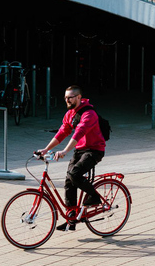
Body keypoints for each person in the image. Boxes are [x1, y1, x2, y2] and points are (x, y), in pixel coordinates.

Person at [37, 85, 106, 231]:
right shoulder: (70, 114)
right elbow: (62, 133)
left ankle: (94, 196)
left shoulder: (89, 114)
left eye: (70, 97)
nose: (67, 100)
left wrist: (64, 151)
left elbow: (78, 133)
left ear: (79, 97)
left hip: (94, 150)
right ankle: (71, 218)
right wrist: (45, 149)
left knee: (75, 174)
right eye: (65, 98)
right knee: (69, 180)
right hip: (80, 150)